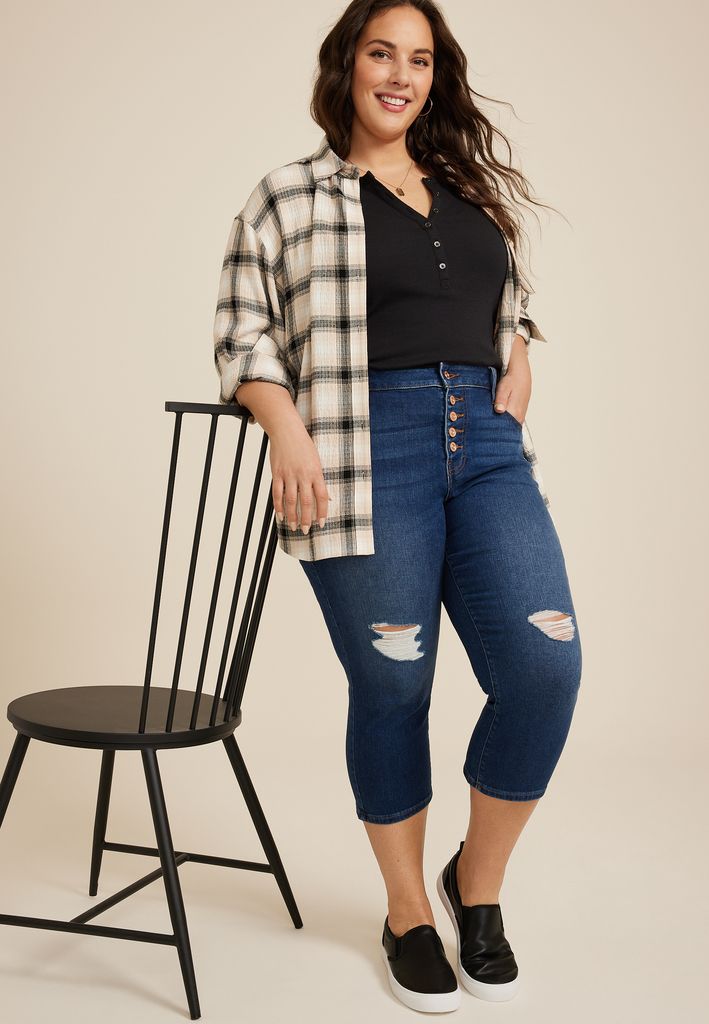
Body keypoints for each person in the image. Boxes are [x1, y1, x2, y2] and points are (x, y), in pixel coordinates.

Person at [213, 0, 582, 1013]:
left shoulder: (466, 189)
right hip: (361, 449)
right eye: (382, 53)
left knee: (544, 666)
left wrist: (518, 349)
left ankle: (477, 887)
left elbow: (500, 300)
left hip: (487, 450)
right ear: (347, 64)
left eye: (418, 59)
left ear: (434, 77)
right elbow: (241, 331)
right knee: (392, 682)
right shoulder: (288, 196)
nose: (400, 75)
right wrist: (283, 426)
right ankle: (408, 911)